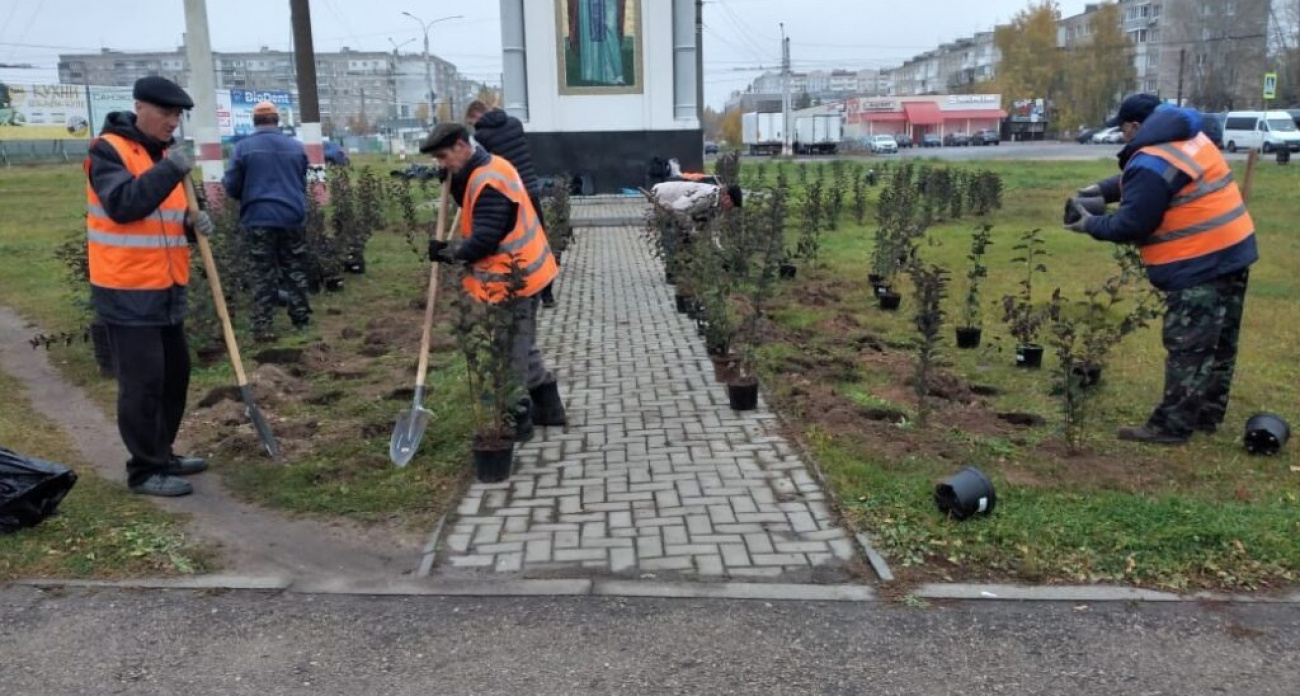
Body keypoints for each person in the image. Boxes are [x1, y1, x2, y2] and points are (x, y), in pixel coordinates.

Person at [1065, 94, 1258, 445]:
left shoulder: (1153, 158)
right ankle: (1206, 414)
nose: (1124, 138)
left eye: (1123, 130)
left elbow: (1132, 223)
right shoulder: (1189, 139)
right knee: (1221, 342)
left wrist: (1088, 224)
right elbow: (1157, 179)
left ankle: (1172, 426)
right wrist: (1102, 189)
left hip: (1200, 261)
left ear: (1137, 127)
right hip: (1234, 251)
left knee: (1190, 345)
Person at [84, 76, 214, 496]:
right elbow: (125, 206)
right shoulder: (108, 150)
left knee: (175, 375)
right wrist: (169, 170)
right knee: (143, 383)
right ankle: (144, 470)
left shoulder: (164, 156)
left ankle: (163, 452)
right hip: (126, 287)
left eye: (178, 115)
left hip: (167, 285)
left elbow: (165, 220)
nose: (173, 121)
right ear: (140, 107)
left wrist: (194, 226)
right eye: (166, 113)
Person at [421, 123, 567, 441]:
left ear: (461, 146)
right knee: (522, 345)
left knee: (510, 352)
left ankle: (517, 421)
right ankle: (550, 409)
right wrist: (454, 182)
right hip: (524, 271)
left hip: (517, 278)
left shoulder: (490, 180)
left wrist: (449, 253)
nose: (441, 164)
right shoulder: (486, 167)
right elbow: (471, 202)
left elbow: (486, 238)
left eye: (444, 157)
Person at [222, 100, 311, 343]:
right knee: (294, 268)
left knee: (263, 271)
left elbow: (231, 185)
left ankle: (263, 324)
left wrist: (248, 195)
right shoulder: (296, 147)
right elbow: (301, 180)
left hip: (258, 217)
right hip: (292, 216)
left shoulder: (243, 148)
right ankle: (301, 319)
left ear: (254, 122)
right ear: (277, 121)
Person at [464, 100, 557, 308]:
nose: (473, 127)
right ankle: (548, 294)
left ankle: (517, 289)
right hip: (530, 189)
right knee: (539, 240)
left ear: (478, 116)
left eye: (472, 122)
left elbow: (479, 162)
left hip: (508, 193)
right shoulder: (515, 124)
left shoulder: (481, 137)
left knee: (513, 244)